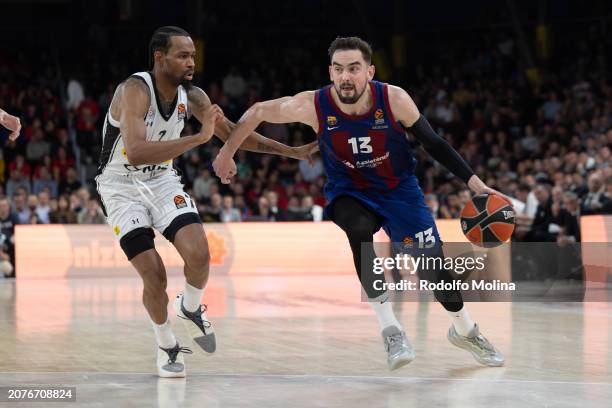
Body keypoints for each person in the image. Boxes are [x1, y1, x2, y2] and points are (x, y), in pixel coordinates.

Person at [214, 36, 507, 370]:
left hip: (400, 192)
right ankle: (391, 328)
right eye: (338, 69)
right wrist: (227, 151)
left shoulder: (394, 99)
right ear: (330, 72)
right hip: (349, 190)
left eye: (353, 69)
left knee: (434, 273)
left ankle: (465, 330)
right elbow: (257, 112)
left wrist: (476, 183)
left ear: (369, 71)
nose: (345, 77)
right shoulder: (314, 104)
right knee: (359, 229)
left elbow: (435, 144)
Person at [95, 26, 315, 378]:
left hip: (162, 179)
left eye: (192, 55)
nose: (190, 62)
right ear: (159, 57)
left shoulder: (192, 96)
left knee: (200, 254)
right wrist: (199, 138)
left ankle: (191, 307)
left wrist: (290, 152)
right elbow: (134, 152)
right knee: (154, 275)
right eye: (182, 55)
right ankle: (167, 345)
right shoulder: (134, 90)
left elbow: (235, 135)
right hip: (121, 185)